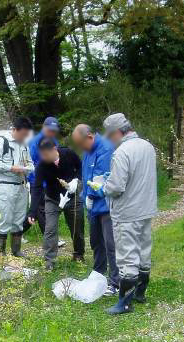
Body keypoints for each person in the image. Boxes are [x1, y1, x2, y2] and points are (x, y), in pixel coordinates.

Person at [93, 113, 157, 314]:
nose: (110, 140)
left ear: (117, 132)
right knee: (143, 251)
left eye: (110, 136)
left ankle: (125, 302)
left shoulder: (122, 152)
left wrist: (103, 187)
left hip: (127, 211)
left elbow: (117, 186)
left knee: (127, 255)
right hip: (146, 208)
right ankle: (140, 292)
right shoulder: (148, 146)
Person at [73, 124, 119, 295]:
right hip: (92, 206)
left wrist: (91, 194)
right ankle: (99, 275)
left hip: (105, 205)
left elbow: (102, 179)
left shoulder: (106, 148)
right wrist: (82, 191)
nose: (81, 148)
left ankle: (116, 282)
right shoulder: (88, 150)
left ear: (90, 137)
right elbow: (86, 176)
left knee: (110, 243)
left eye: (81, 144)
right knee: (96, 241)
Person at [28, 139, 84, 270]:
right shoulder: (42, 165)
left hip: (72, 196)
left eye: (46, 154)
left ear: (54, 149)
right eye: (42, 155)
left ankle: (78, 254)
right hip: (52, 198)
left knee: (77, 226)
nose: (44, 158)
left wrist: (77, 180)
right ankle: (49, 261)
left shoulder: (68, 153)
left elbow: (80, 166)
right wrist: (32, 211)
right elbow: (37, 187)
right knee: (50, 229)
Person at [0, 116, 34, 257]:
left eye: (26, 135)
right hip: (6, 185)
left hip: (21, 185)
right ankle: (0, 253)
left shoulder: (24, 145)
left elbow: (31, 163)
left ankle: (16, 250)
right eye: (22, 134)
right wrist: (11, 168)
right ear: (14, 129)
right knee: (6, 219)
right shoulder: (2, 142)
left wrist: (28, 168)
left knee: (19, 219)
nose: (24, 137)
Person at [24, 116, 60, 234]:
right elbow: (31, 163)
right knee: (42, 209)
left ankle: (18, 231)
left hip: (51, 180)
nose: (52, 132)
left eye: (54, 130)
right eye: (50, 129)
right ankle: (49, 235)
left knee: (42, 210)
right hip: (38, 181)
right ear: (44, 127)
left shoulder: (54, 141)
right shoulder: (34, 142)